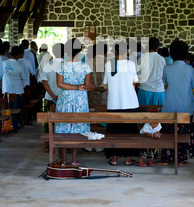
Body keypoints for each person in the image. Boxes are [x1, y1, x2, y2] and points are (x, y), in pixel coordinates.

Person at [55, 38, 97, 166]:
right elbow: (87, 85)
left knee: (64, 127)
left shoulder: (61, 65)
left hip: (65, 100)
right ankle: (74, 159)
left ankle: (63, 159)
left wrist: (74, 87)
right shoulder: (85, 66)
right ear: (79, 50)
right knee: (78, 127)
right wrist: (97, 89)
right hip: (80, 100)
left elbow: (59, 84)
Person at [157, 40, 194, 166]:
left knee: (169, 132)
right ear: (186, 54)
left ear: (171, 54)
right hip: (186, 105)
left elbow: (166, 84)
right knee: (183, 132)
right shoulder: (190, 69)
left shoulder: (167, 68)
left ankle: (166, 157)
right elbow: (193, 85)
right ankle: (181, 158)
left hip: (170, 105)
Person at [102, 41, 139, 166]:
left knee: (113, 132)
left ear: (115, 51)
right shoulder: (130, 64)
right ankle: (128, 159)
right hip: (130, 102)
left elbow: (106, 83)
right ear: (126, 51)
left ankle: (114, 159)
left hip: (113, 103)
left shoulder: (109, 64)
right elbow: (135, 81)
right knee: (129, 132)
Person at [2, 46, 29, 133]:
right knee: (17, 110)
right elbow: (24, 78)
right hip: (18, 90)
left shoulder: (4, 63)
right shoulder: (19, 65)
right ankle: (14, 126)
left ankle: (7, 126)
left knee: (7, 109)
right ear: (18, 55)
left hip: (6, 90)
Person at [137, 37, 166, 106]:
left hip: (144, 90)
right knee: (159, 116)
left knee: (143, 115)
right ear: (157, 47)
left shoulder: (141, 59)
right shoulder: (162, 59)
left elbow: (138, 77)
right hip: (159, 91)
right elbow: (163, 76)